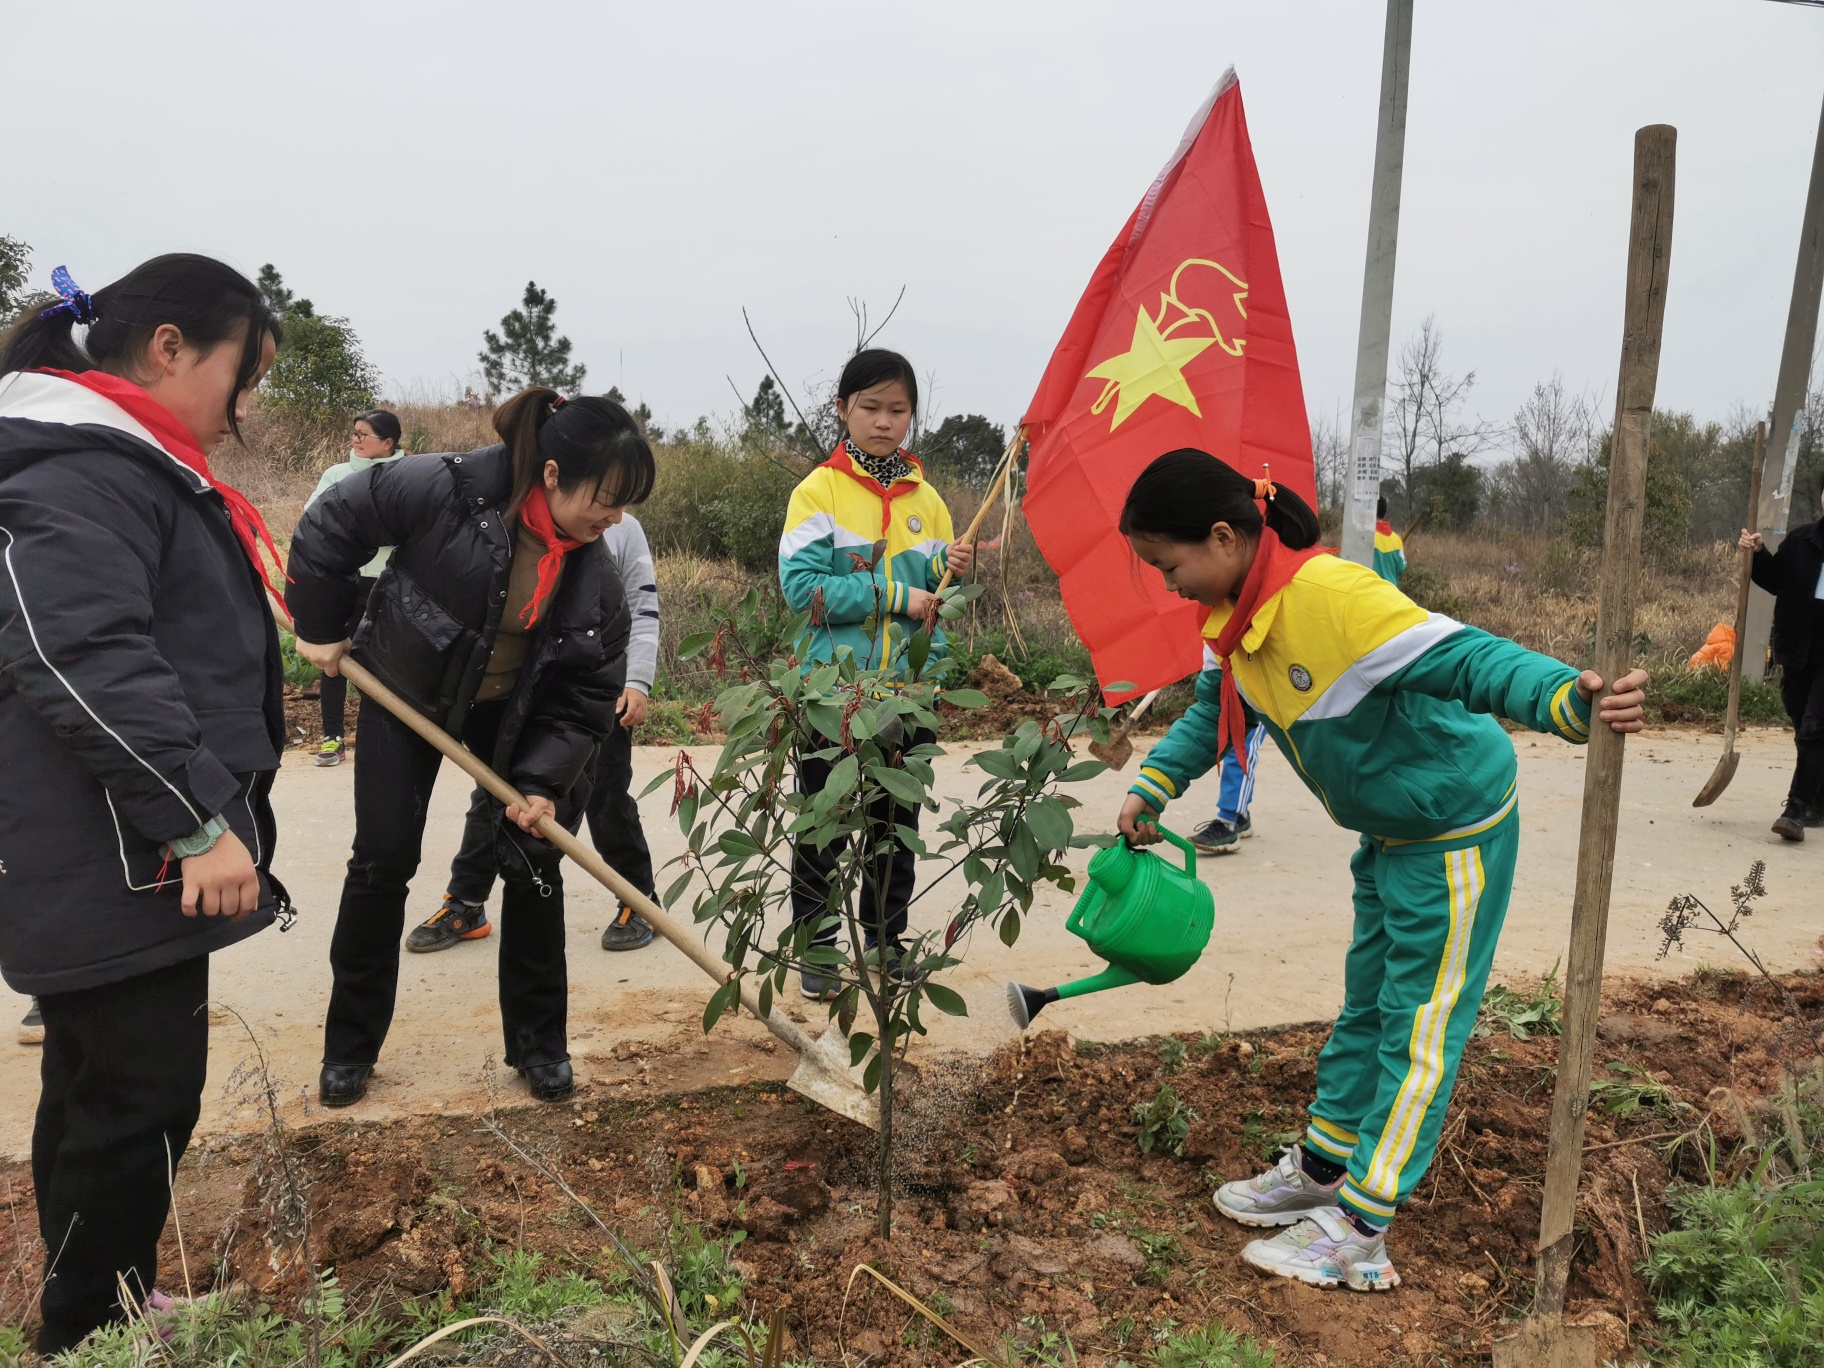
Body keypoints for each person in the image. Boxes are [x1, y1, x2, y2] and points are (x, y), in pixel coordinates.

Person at [1116, 449, 1647, 1293]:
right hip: (1389, 834)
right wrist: (1154, 785)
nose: (1169, 585)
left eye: (1169, 565)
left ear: (1223, 537)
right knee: (1366, 1002)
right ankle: (1325, 1167)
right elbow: (1219, 712)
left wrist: (1566, 698)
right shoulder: (1239, 620)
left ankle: (1362, 1227)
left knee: (1420, 1028)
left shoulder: (1332, 599)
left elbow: (1468, 657)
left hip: (1451, 832)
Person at [0, 254, 287, 1353]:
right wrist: (197, 822)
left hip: (113, 841)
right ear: (169, 348)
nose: (244, 408)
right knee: (141, 1100)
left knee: (94, 1089)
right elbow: (83, 656)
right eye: (239, 376)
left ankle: (98, 1301)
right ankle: (90, 1335)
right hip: (114, 843)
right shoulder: (77, 467)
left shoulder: (117, 458)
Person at [286, 389, 646, 1108]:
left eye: (625, 504)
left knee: (538, 859)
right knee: (382, 860)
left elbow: (583, 699)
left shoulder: (595, 577)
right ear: (551, 475)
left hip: (508, 711)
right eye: (605, 499)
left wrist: (544, 781)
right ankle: (349, 1050)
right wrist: (322, 621)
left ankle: (540, 1045)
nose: (615, 519)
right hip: (406, 691)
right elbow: (334, 520)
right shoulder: (448, 486)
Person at [777, 349, 974, 1000]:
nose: (884, 422)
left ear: (912, 416)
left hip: (909, 696)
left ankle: (887, 947)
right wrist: (894, 595)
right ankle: (819, 949)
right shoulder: (819, 493)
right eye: (870, 408)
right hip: (833, 693)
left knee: (897, 827)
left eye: (897, 410)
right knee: (823, 821)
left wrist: (952, 566)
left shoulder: (930, 502)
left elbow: (936, 603)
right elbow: (802, 588)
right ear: (842, 410)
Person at [411, 509, 663, 953]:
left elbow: (643, 605)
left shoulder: (623, 528)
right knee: (495, 793)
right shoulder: (515, 521)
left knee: (606, 797)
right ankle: (466, 902)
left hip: (597, 691)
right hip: (523, 694)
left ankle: (639, 900)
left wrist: (637, 681)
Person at [305, 409, 406, 767]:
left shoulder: (408, 475)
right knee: (334, 660)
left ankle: (385, 740)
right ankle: (332, 737)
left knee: (388, 662)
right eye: (355, 433)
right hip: (346, 579)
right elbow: (313, 518)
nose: (356, 440)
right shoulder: (337, 475)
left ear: (388, 442)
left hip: (393, 581)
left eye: (364, 435)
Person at [1741, 479, 1824, 841]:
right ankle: (1818, 799)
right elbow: (1776, 581)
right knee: (1799, 717)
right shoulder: (1802, 541)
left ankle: (1796, 808)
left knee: (1815, 727)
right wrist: (1757, 554)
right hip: (1799, 650)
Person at [1373, 496, 1406, 586]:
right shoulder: (1397, 540)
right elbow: (1401, 568)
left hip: (1370, 594)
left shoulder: (1364, 538)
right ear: (1385, 514)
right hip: (1391, 594)